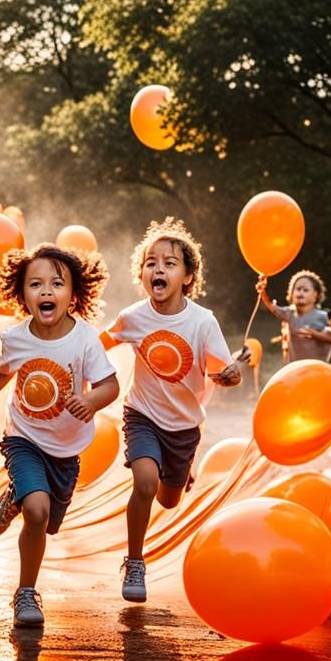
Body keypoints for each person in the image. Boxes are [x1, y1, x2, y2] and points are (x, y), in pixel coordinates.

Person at [0, 244, 118, 628]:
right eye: (35, 284)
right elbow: (0, 372)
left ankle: (13, 499)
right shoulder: (16, 338)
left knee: (47, 522)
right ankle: (26, 592)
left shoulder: (85, 339)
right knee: (38, 510)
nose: (46, 292)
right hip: (23, 439)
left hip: (66, 449)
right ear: (21, 294)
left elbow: (110, 385)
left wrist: (91, 400)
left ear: (74, 294)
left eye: (56, 284)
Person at [101, 218, 242, 605]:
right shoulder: (133, 317)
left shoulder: (202, 321)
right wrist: (74, 363)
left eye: (169, 263)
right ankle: (134, 561)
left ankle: (183, 471)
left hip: (183, 426)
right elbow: (100, 344)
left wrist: (230, 376)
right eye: (151, 262)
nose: (158, 269)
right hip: (141, 414)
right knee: (145, 482)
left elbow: (223, 371)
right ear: (142, 274)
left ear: (188, 276)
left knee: (168, 499)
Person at [256, 270, 331, 362]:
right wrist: (262, 291)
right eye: (298, 289)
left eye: (305, 290)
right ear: (291, 293)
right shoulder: (289, 313)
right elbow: (269, 307)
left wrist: (314, 334)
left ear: (315, 295)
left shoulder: (322, 316)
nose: (301, 293)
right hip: (295, 368)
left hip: (317, 367)